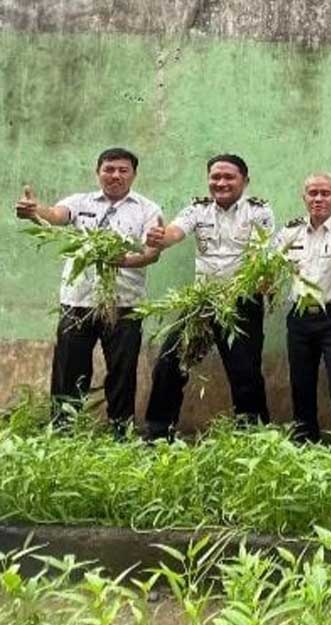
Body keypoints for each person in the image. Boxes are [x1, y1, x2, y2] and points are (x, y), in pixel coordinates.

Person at [14, 147, 162, 432]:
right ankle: (63, 429)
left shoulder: (148, 209)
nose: (115, 175)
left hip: (125, 303)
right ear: (98, 172)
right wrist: (35, 212)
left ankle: (121, 430)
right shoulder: (79, 202)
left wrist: (123, 260)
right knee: (69, 369)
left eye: (123, 170)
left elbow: (151, 253)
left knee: (122, 371)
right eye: (109, 169)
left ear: (134, 174)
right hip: (77, 301)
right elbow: (55, 215)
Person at [143, 154, 273, 440]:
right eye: (215, 177)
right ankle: (157, 433)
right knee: (169, 361)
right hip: (202, 301)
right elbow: (175, 232)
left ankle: (254, 437)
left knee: (245, 372)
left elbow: (261, 254)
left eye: (229, 177)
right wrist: (162, 238)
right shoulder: (198, 209)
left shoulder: (258, 211)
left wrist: (265, 281)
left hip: (240, 302)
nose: (221, 182)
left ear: (245, 181)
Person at [276, 173, 331, 451]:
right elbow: (272, 263)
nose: (318, 198)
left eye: (325, 193)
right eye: (312, 193)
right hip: (300, 318)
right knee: (301, 385)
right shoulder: (290, 231)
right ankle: (306, 444)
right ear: (304, 197)